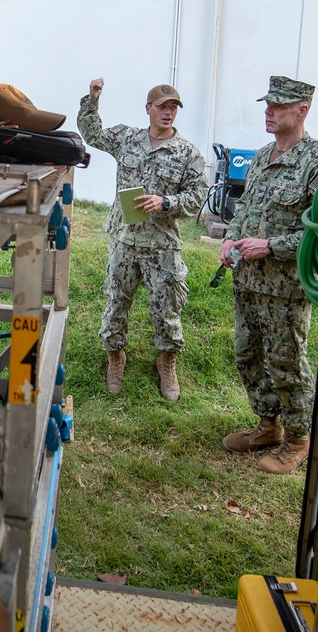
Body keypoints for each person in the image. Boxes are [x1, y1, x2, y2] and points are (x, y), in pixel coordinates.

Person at [220, 76, 318, 474]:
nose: (268, 112)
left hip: (285, 287)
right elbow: (244, 210)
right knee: (247, 355)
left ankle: (300, 439)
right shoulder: (261, 156)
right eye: (267, 104)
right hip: (248, 280)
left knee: (286, 362)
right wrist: (230, 241)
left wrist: (271, 246)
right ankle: (268, 426)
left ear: (302, 110)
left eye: (278, 106)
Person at [77, 78, 207, 401]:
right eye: (162, 106)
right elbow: (92, 134)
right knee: (116, 302)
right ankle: (115, 357)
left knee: (167, 308)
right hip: (125, 238)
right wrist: (92, 100)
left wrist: (166, 202)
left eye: (173, 107)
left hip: (162, 244)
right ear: (147, 109)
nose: (168, 112)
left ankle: (166, 361)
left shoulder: (188, 153)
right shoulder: (127, 139)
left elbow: (197, 196)